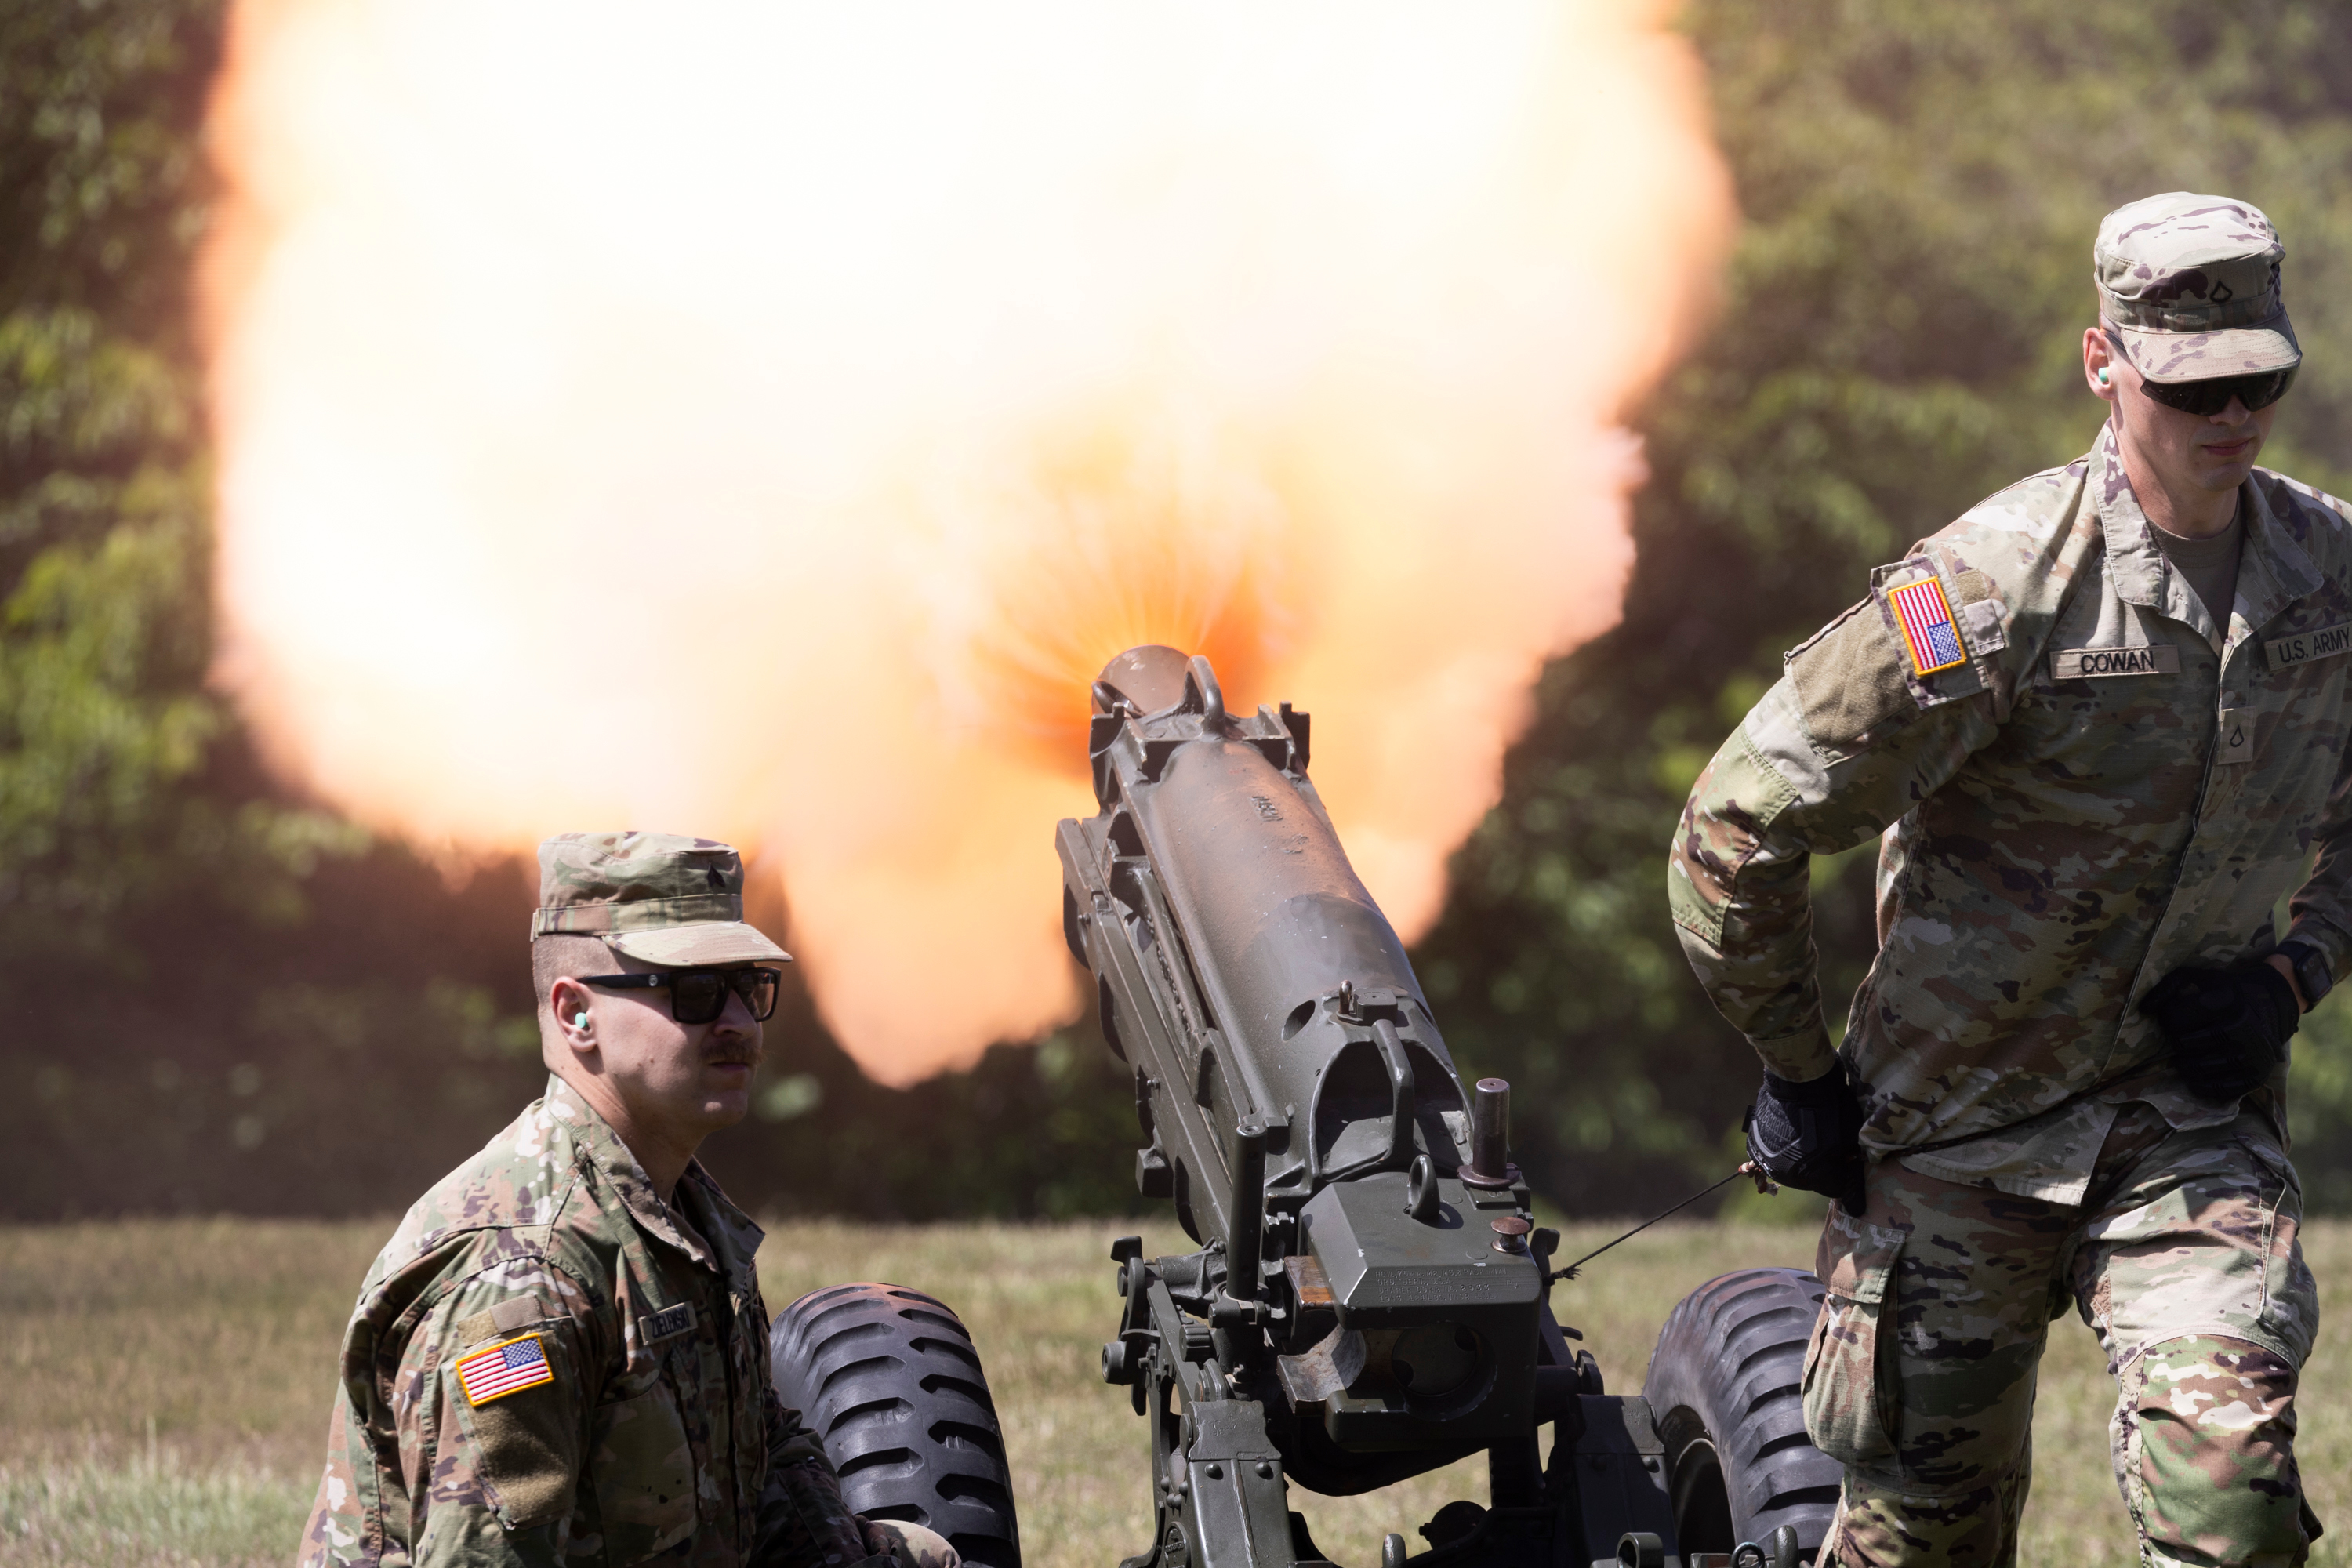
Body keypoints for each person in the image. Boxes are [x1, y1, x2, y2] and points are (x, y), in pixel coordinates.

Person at [1669, 191, 2336, 1565]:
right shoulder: (1988, 591)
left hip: (2184, 1124)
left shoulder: (2331, 580)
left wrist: (2295, 970)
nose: (2234, 416)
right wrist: (1801, 1073)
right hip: (1954, 1132)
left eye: (2259, 380)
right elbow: (1736, 827)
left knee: (2234, 1507)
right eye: (2193, 384)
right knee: (1923, 1536)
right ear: (2106, 365)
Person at [299, 831, 958, 1568]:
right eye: (698, 992)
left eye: (748, 987)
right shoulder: (525, 1280)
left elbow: (758, 1469)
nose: (739, 1021)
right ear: (577, 1014)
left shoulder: (674, 1216)